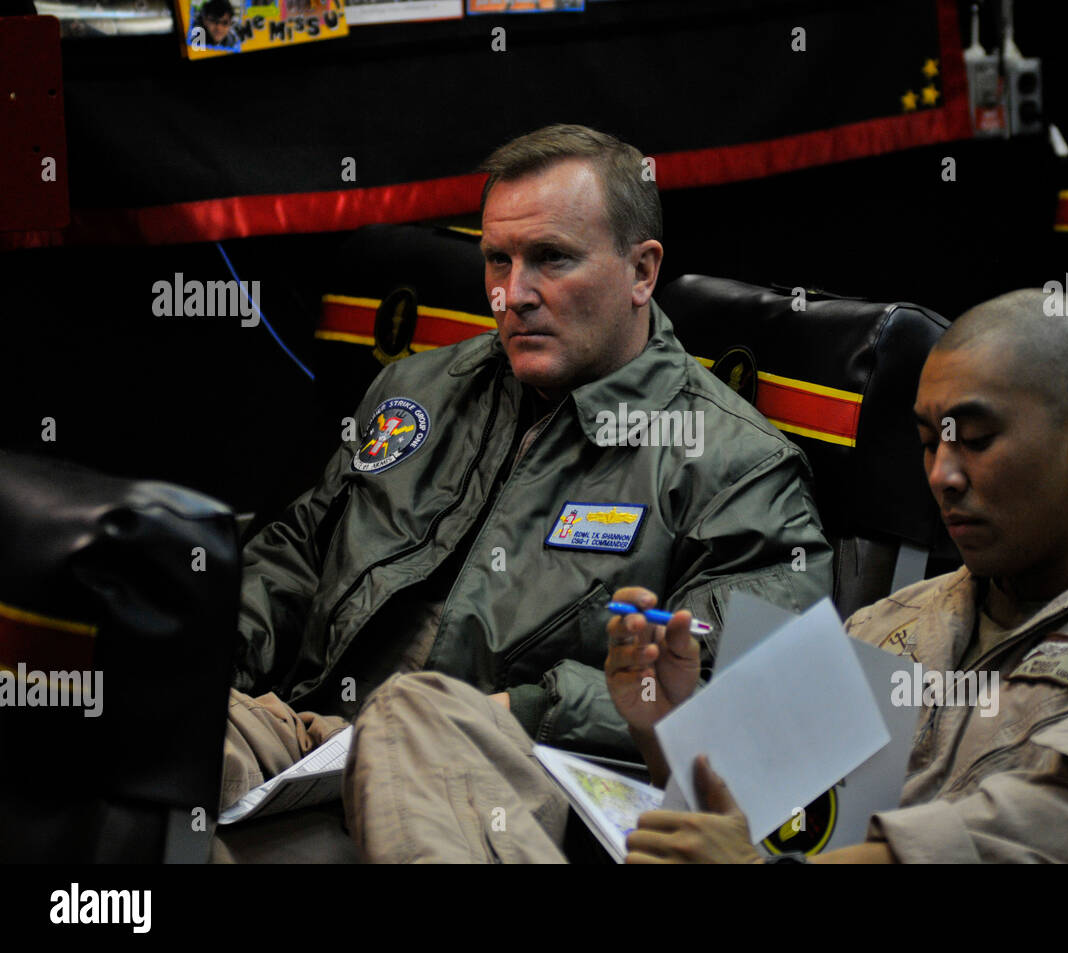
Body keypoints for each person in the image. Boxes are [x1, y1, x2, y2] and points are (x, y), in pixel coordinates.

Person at [227, 125, 833, 846]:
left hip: (510, 784)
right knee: (138, 723)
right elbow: (298, 553)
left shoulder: (737, 465)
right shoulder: (422, 385)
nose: (511, 296)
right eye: (497, 260)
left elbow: (749, 719)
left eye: (550, 259)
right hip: (315, 735)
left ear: (642, 272)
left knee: (409, 721)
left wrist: (527, 707)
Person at [608, 288, 1068, 863]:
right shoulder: (895, 618)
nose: (943, 474)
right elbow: (735, 810)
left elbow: (1027, 842)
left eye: (976, 438)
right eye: (926, 439)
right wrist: (668, 729)